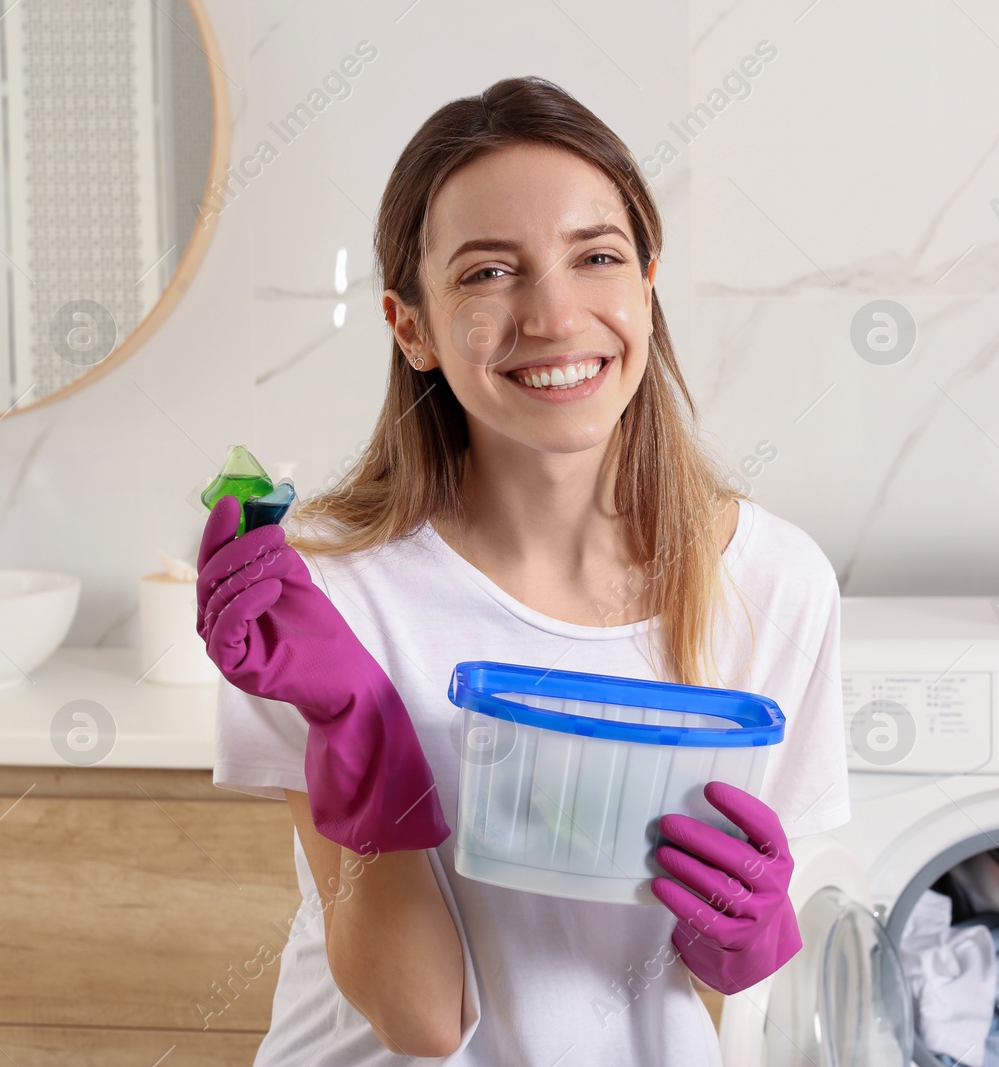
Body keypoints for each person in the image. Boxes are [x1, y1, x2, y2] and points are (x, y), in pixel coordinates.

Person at [196, 75, 849, 1065]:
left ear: (645, 282)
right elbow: (419, 1016)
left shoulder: (771, 583)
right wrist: (357, 723)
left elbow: (735, 972)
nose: (552, 314)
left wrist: (751, 937)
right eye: (488, 273)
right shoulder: (322, 594)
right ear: (409, 325)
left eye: (596, 256)